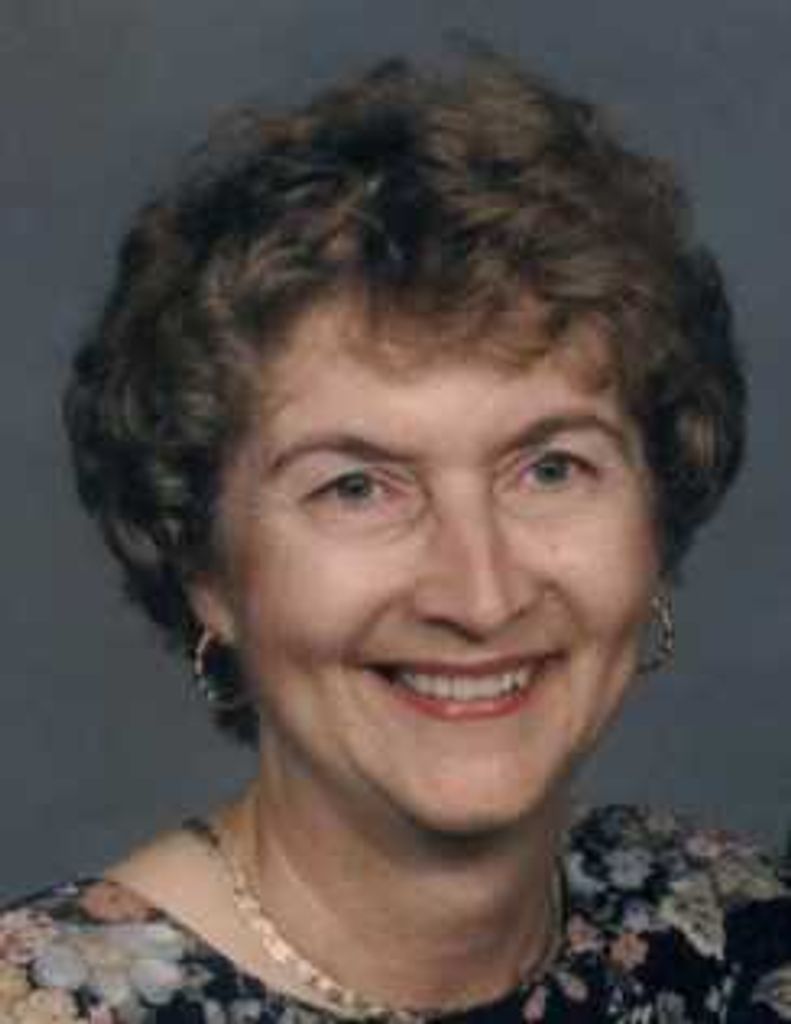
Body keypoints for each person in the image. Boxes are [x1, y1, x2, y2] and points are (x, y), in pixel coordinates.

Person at [2, 53, 790, 1023]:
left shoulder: (740, 934)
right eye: (356, 487)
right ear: (206, 568)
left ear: (654, 519)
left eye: (549, 468)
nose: (479, 595)